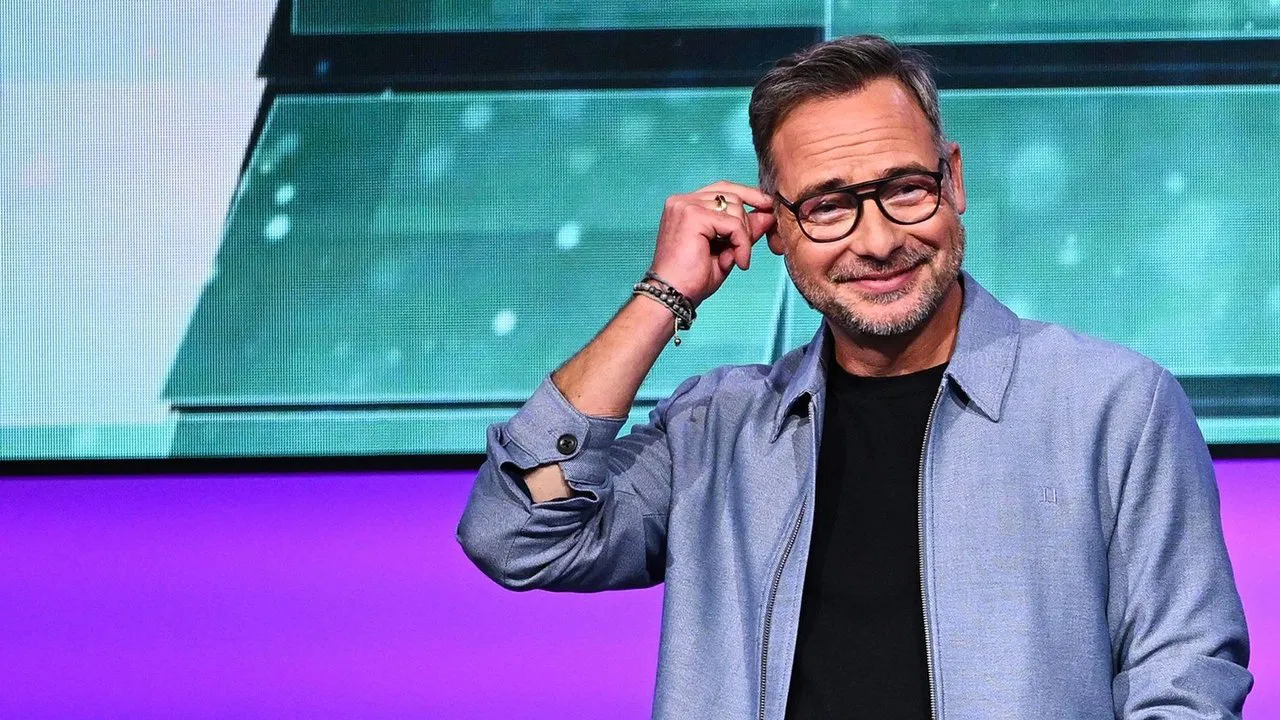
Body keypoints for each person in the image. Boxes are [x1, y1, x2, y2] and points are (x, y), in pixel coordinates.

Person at [456, 35, 1252, 719]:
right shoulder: (716, 427)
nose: (876, 241)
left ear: (953, 180)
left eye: (905, 189)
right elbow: (517, 535)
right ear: (774, 225)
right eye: (830, 206)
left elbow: (1184, 681)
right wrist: (663, 295)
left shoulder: (1112, 406)